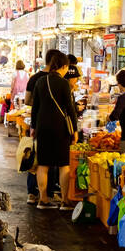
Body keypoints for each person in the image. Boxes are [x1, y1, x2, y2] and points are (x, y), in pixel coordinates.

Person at [31, 49, 76, 209]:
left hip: (42, 126)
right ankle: (65, 201)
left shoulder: (40, 82)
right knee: (63, 165)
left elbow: (34, 107)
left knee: (43, 164)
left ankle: (43, 200)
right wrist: (74, 130)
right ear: (63, 66)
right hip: (60, 128)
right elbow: (70, 109)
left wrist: (32, 127)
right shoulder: (64, 83)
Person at [23, 55, 61, 206]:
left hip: (37, 123)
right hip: (52, 125)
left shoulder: (34, 78)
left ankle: (32, 193)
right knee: (49, 161)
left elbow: (27, 101)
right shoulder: (58, 80)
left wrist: (39, 106)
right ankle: (48, 194)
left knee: (34, 158)